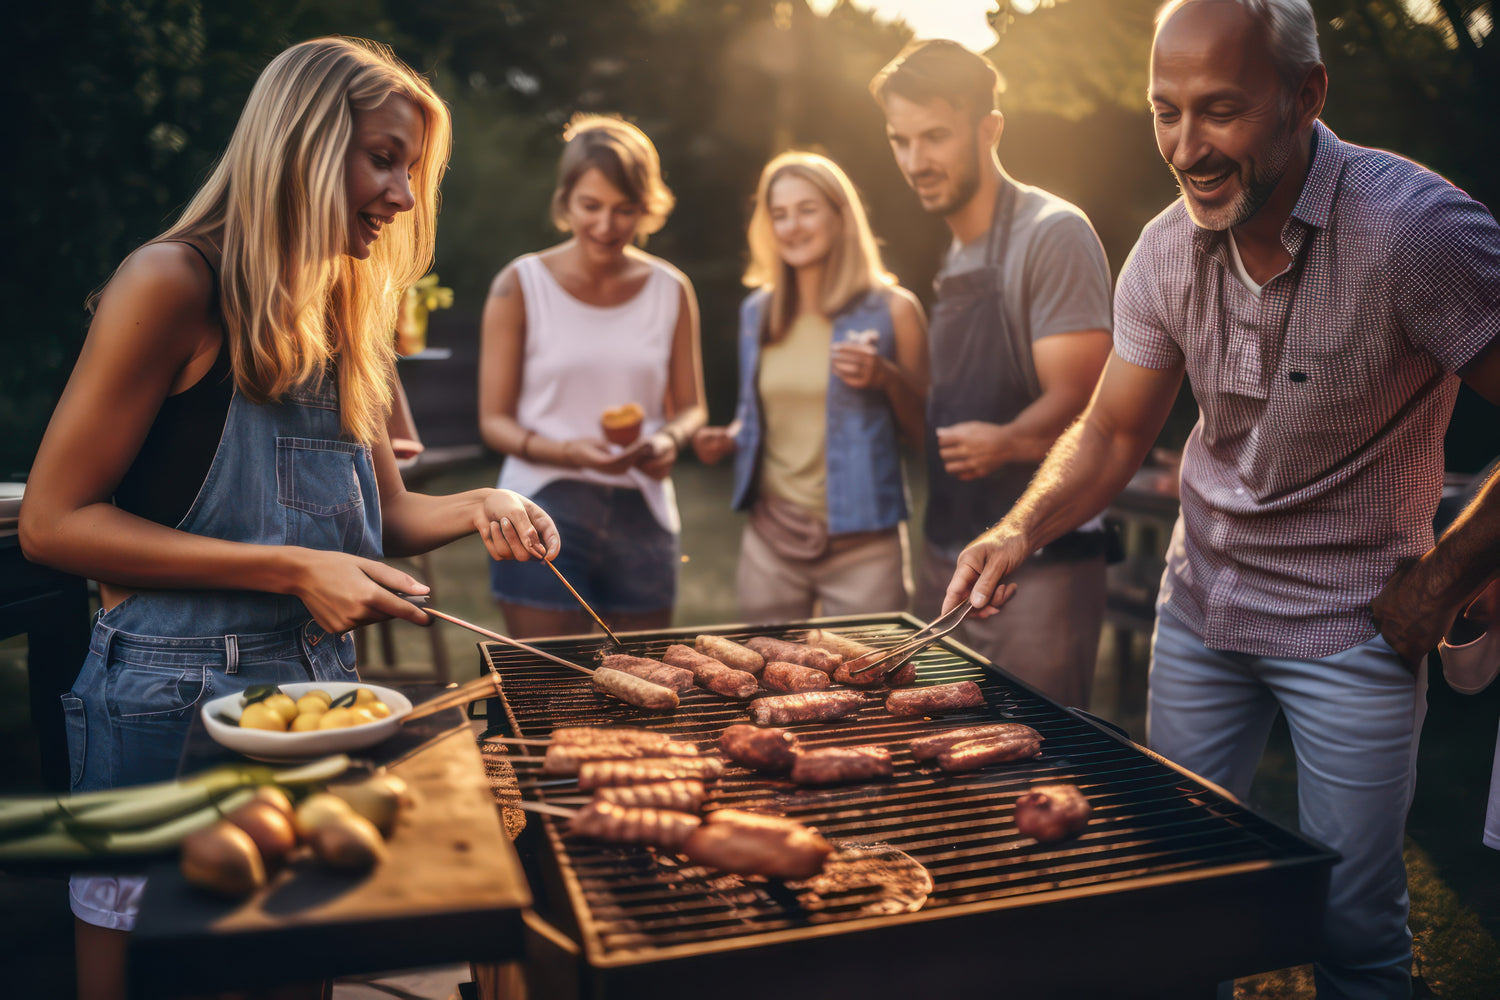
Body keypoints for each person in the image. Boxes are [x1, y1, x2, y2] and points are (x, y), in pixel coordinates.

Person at [941, 1, 1500, 996]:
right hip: (1199, 611)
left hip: (1353, 629)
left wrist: (1444, 580)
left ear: (1306, 95)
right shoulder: (1164, 249)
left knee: (1353, 929)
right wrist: (1019, 528)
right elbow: (1115, 430)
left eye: (1221, 110)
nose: (1187, 147)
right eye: (1166, 111)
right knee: (1173, 893)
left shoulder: (1416, 233)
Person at [18, 38, 559, 1000]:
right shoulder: (170, 283)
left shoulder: (351, 312)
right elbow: (55, 524)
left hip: (314, 699)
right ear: (303, 143)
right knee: (147, 971)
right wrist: (294, 569)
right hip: (163, 700)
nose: (401, 197)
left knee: (289, 967)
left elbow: (379, 518)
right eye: (383, 158)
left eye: (412, 171)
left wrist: (484, 502)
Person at [869, 40, 1114, 709]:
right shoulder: (956, 251)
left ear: (990, 128)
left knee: (1031, 763)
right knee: (945, 766)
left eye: (936, 137)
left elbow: (1090, 405)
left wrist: (1007, 441)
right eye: (901, 140)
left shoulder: (1052, 233)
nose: (917, 161)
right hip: (949, 558)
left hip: (1039, 566)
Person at [479, 115, 707, 638]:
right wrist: (569, 452)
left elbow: (692, 405)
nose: (606, 226)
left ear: (646, 207)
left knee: (645, 681)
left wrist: (669, 439)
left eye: (625, 210)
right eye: (591, 206)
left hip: (642, 507)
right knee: (544, 690)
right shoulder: (519, 284)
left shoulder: (671, 289)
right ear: (565, 201)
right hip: (538, 503)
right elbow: (494, 423)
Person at [691, 152, 928, 621]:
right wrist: (732, 436)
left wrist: (886, 378)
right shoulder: (757, 312)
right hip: (771, 537)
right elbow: (760, 414)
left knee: (871, 690)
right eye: (779, 214)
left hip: (864, 545)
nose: (791, 226)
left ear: (841, 216)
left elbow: (925, 432)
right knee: (760, 686)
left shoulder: (894, 309)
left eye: (807, 209)